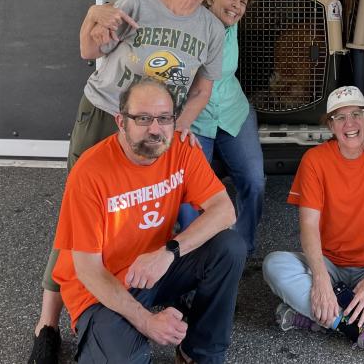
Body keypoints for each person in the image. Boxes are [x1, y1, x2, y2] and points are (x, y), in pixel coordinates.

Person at [28, 0, 232, 364]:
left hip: (156, 124)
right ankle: (47, 324)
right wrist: (91, 18)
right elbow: (91, 50)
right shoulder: (140, 1)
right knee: (79, 220)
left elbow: (203, 88)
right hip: (107, 111)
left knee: (142, 209)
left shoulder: (212, 28)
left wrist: (177, 126)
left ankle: (139, 284)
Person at [52, 77, 247, 363]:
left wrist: (170, 251)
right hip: (101, 288)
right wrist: (147, 322)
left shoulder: (181, 148)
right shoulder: (89, 173)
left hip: (155, 266)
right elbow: (89, 271)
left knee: (229, 247)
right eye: (143, 118)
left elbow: (224, 210)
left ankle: (200, 353)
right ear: (121, 121)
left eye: (164, 118)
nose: (155, 130)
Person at [261, 86, 364, 353]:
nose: (349, 123)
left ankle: (315, 318)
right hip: (328, 263)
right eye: (340, 117)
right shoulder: (314, 160)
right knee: (273, 265)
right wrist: (320, 280)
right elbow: (308, 225)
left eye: (356, 114)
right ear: (330, 124)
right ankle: (356, 328)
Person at [178, 0, 265, 257]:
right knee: (188, 193)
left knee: (253, 180)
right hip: (195, 119)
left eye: (243, 2)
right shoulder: (188, 24)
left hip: (232, 111)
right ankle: (193, 257)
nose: (237, 6)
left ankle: (242, 248)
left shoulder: (231, 24)